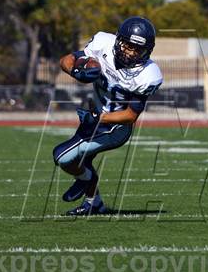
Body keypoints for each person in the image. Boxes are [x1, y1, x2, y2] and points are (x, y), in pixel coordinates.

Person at [53, 16, 163, 216]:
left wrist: (98, 118)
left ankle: (86, 180)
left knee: (62, 156)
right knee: (80, 160)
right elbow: (65, 60)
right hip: (95, 116)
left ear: (147, 51)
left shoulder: (148, 74)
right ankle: (94, 204)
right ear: (118, 39)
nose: (130, 53)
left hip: (115, 127)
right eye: (127, 46)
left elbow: (130, 116)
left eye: (137, 49)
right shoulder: (103, 43)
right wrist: (75, 71)